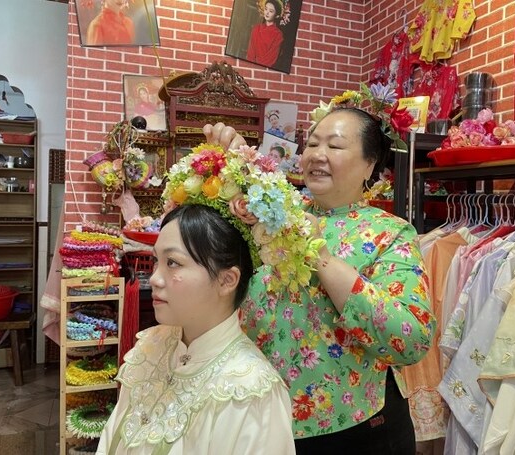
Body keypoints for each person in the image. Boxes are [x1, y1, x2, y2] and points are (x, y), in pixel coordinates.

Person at [203, 107, 436, 454]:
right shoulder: (274, 211)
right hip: (260, 419)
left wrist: (322, 258)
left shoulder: (390, 232)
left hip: (355, 430)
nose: (317, 155)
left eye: (336, 146)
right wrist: (234, 171)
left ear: (370, 164)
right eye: (312, 144)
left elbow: (411, 339)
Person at [96, 204, 295, 454]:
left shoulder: (250, 391)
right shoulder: (151, 346)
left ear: (226, 280)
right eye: (157, 261)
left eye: (173, 263)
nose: (155, 278)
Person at [246, 0, 284, 67]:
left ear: (277, 15)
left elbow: (271, 58)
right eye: (266, 9)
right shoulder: (256, 29)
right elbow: (250, 52)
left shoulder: (278, 35)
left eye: (271, 11)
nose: (267, 13)